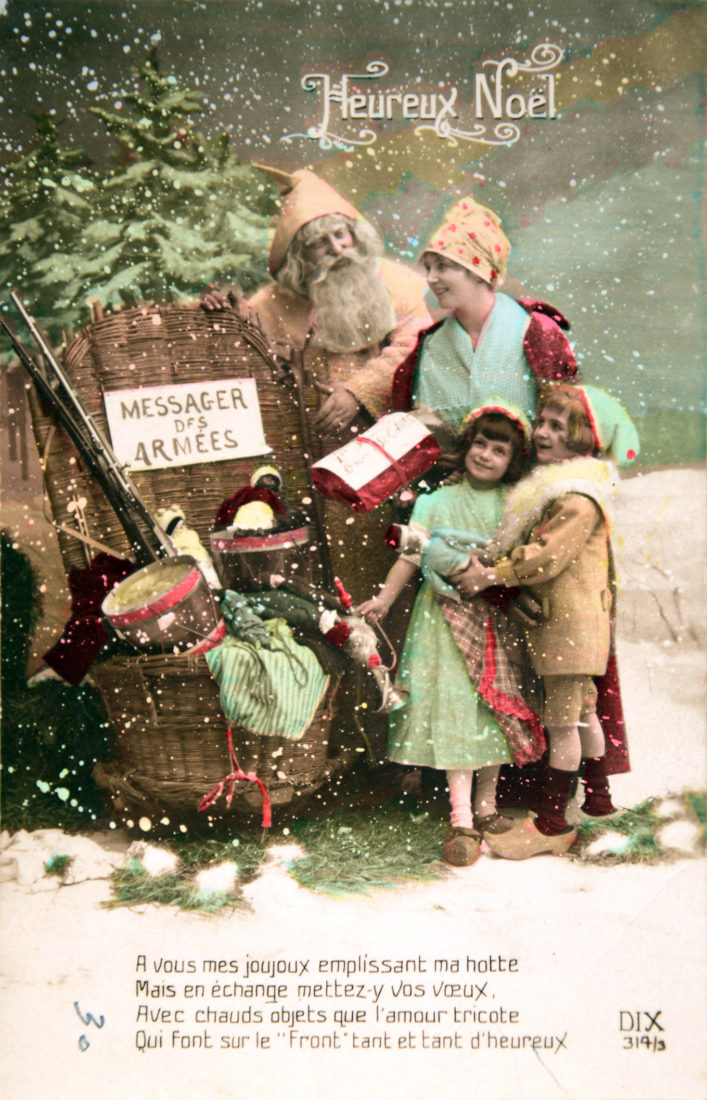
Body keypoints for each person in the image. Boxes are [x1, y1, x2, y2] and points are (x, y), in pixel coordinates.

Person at [201, 165, 433, 601]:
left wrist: (357, 391)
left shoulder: (395, 286)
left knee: (375, 571)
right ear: (299, 259)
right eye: (318, 244)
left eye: (340, 237)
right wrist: (220, 310)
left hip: (376, 457)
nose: (335, 249)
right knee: (308, 579)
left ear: (356, 237)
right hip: (303, 457)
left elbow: (412, 347)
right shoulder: (276, 303)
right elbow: (246, 345)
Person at [456, 382, 639, 858]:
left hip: (566, 628)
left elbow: (544, 559)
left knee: (562, 724)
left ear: (581, 439)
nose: (543, 432)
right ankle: (598, 802)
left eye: (559, 426)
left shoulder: (575, 498)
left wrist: (491, 574)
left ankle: (551, 820)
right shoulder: (575, 490)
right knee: (582, 713)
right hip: (578, 626)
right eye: (542, 422)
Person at [359, 401, 546, 867]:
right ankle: (460, 815)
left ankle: (486, 807)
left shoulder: (513, 504)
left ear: (513, 460)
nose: (485, 455)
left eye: (498, 450)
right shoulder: (434, 501)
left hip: (493, 617)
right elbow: (410, 556)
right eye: (480, 443)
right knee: (457, 711)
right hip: (441, 621)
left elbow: (520, 559)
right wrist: (384, 599)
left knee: (495, 707)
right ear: (466, 446)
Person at [391, 194, 578, 435]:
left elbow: (569, 423)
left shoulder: (535, 330)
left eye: (443, 266)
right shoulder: (428, 346)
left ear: (478, 271)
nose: (431, 278)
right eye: (429, 267)